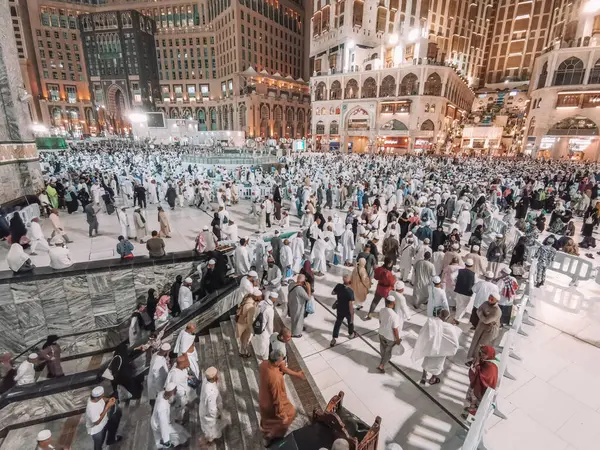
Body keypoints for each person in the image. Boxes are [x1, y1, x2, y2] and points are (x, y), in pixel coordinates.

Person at [258, 349, 304, 446]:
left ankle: (267, 432)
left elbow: (282, 369)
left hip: (263, 399)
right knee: (289, 414)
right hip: (272, 404)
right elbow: (277, 399)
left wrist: (297, 374)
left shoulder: (264, 364)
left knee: (267, 420)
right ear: (277, 362)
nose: (283, 361)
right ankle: (272, 436)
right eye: (282, 360)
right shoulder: (276, 379)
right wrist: (282, 416)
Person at [413, 310, 460, 385]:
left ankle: (423, 377)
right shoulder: (450, 328)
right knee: (437, 366)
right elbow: (455, 343)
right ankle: (433, 378)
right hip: (441, 352)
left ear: (439, 314)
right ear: (447, 318)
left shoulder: (432, 323)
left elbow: (423, 332)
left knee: (427, 362)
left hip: (431, 349)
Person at [151, 382, 190, 449]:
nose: (176, 392)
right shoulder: (162, 409)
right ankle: (177, 443)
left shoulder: (161, 393)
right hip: (159, 425)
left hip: (155, 421)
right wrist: (166, 440)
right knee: (180, 432)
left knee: (159, 439)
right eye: (175, 392)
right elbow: (163, 425)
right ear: (171, 393)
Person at [466, 292, 502, 364]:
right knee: (475, 342)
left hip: (490, 331)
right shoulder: (485, 303)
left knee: (482, 346)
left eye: (492, 299)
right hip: (481, 326)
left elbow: (486, 320)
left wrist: (481, 314)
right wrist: (481, 315)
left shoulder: (497, 310)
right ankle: (473, 358)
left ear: (496, 301)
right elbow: (477, 310)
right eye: (489, 298)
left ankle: (477, 362)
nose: (489, 300)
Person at [464, 345, 499, 417]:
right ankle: (471, 409)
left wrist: (477, 367)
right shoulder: (486, 361)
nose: (482, 355)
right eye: (481, 352)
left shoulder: (491, 366)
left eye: (484, 354)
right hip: (478, 386)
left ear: (489, 354)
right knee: (473, 400)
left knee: (477, 402)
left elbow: (485, 378)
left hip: (482, 389)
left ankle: (471, 416)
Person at [199, 367, 229, 445]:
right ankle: (208, 441)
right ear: (214, 377)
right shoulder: (211, 392)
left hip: (203, 408)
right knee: (211, 429)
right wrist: (218, 415)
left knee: (208, 427)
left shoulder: (206, 380)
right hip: (208, 415)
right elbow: (211, 409)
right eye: (217, 374)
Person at [330, 274, 358, 347]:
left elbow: (333, 293)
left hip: (339, 308)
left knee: (338, 323)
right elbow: (350, 305)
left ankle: (334, 338)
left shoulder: (338, 286)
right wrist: (352, 315)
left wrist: (339, 293)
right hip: (347, 310)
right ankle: (351, 334)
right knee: (350, 322)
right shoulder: (350, 291)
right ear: (350, 282)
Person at [377, 296, 402, 373]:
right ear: (393, 303)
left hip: (381, 333)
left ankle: (382, 358)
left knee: (382, 347)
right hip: (389, 337)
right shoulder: (395, 316)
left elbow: (380, 321)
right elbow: (395, 330)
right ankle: (382, 365)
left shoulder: (382, 310)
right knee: (388, 352)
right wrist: (397, 340)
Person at [166, 355, 194, 422]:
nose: (187, 365)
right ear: (182, 364)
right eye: (185, 364)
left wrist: (187, 377)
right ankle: (180, 420)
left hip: (182, 392)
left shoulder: (177, 366)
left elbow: (183, 373)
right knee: (179, 410)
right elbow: (176, 392)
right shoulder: (175, 377)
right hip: (178, 396)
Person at [236, 287, 261, 357]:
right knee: (245, 339)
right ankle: (244, 352)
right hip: (245, 324)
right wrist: (252, 330)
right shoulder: (251, 306)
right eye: (259, 297)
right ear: (256, 297)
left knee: (242, 339)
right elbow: (250, 320)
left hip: (241, 321)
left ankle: (242, 350)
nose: (260, 298)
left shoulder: (247, 299)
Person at [252, 291, 276, 359]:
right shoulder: (270, 310)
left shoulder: (261, 303)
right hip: (264, 331)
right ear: (274, 299)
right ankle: (264, 359)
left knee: (258, 343)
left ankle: (258, 354)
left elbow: (256, 314)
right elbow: (270, 324)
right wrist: (271, 334)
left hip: (256, 327)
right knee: (265, 347)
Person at [147, 343, 171, 408]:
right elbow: (155, 372)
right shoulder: (158, 360)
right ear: (166, 351)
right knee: (156, 399)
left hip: (157, 381)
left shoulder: (156, 354)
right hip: (156, 382)